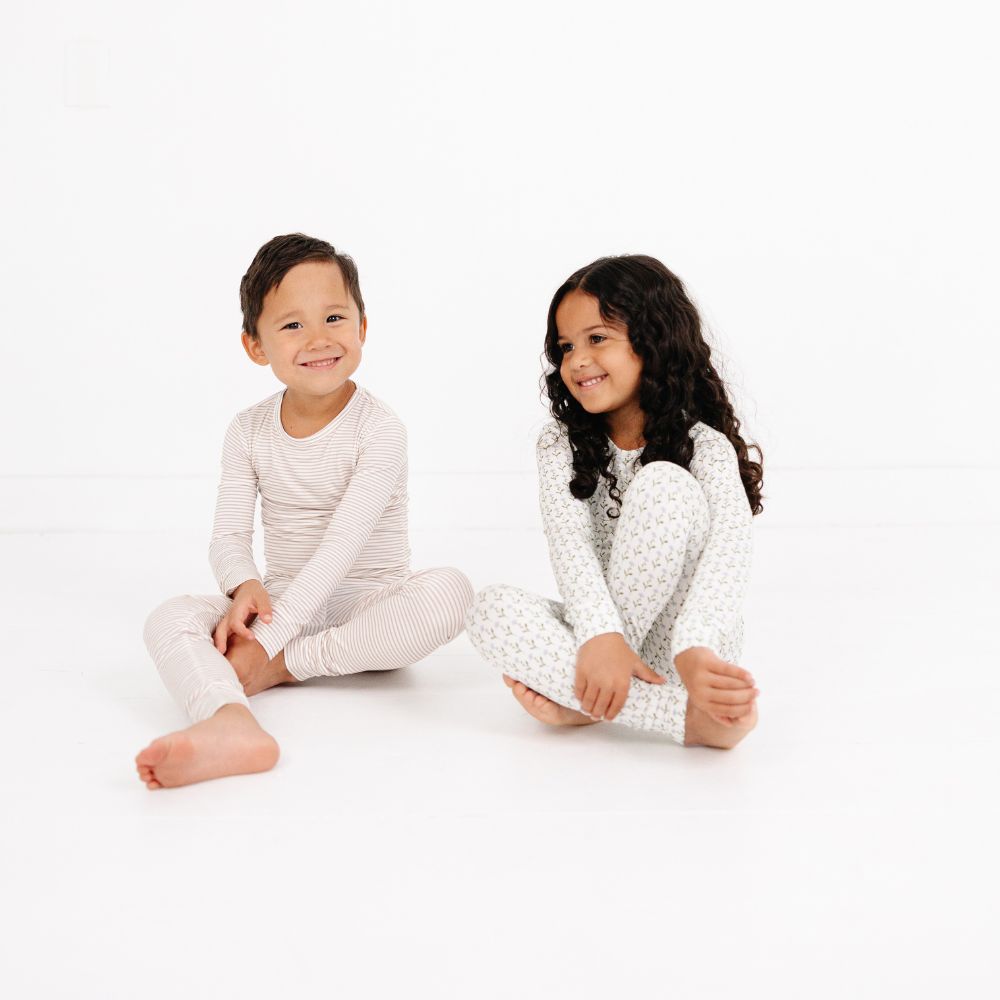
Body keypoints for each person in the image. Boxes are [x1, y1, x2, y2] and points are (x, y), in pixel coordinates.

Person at [135, 233, 474, 789]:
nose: (318, 338)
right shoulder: (247, 430)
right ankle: (230, 723)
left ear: (363, 327)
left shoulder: (380, 429)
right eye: (292, 325)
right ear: (255, 346)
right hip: (283, 604)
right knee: (168, 617)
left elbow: (341, 549)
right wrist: (243, 585)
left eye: (335, 317)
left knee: (453, 593)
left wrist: (270, 652)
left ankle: (287, 670)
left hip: (372, 611)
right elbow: (227, 539)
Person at [465, 255, 764, 749]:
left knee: (663, 483)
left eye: (597, 338)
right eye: (565, 347)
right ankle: (668, 715)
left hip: (687, 654)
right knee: (488, 609)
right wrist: (601, 636)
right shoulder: (558, 446)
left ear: (653, 341)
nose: (577, 360)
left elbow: (731, 549)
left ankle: (588, 698)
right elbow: (570, 545)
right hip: (597, 639)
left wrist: (695, 643)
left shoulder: (704, 446)